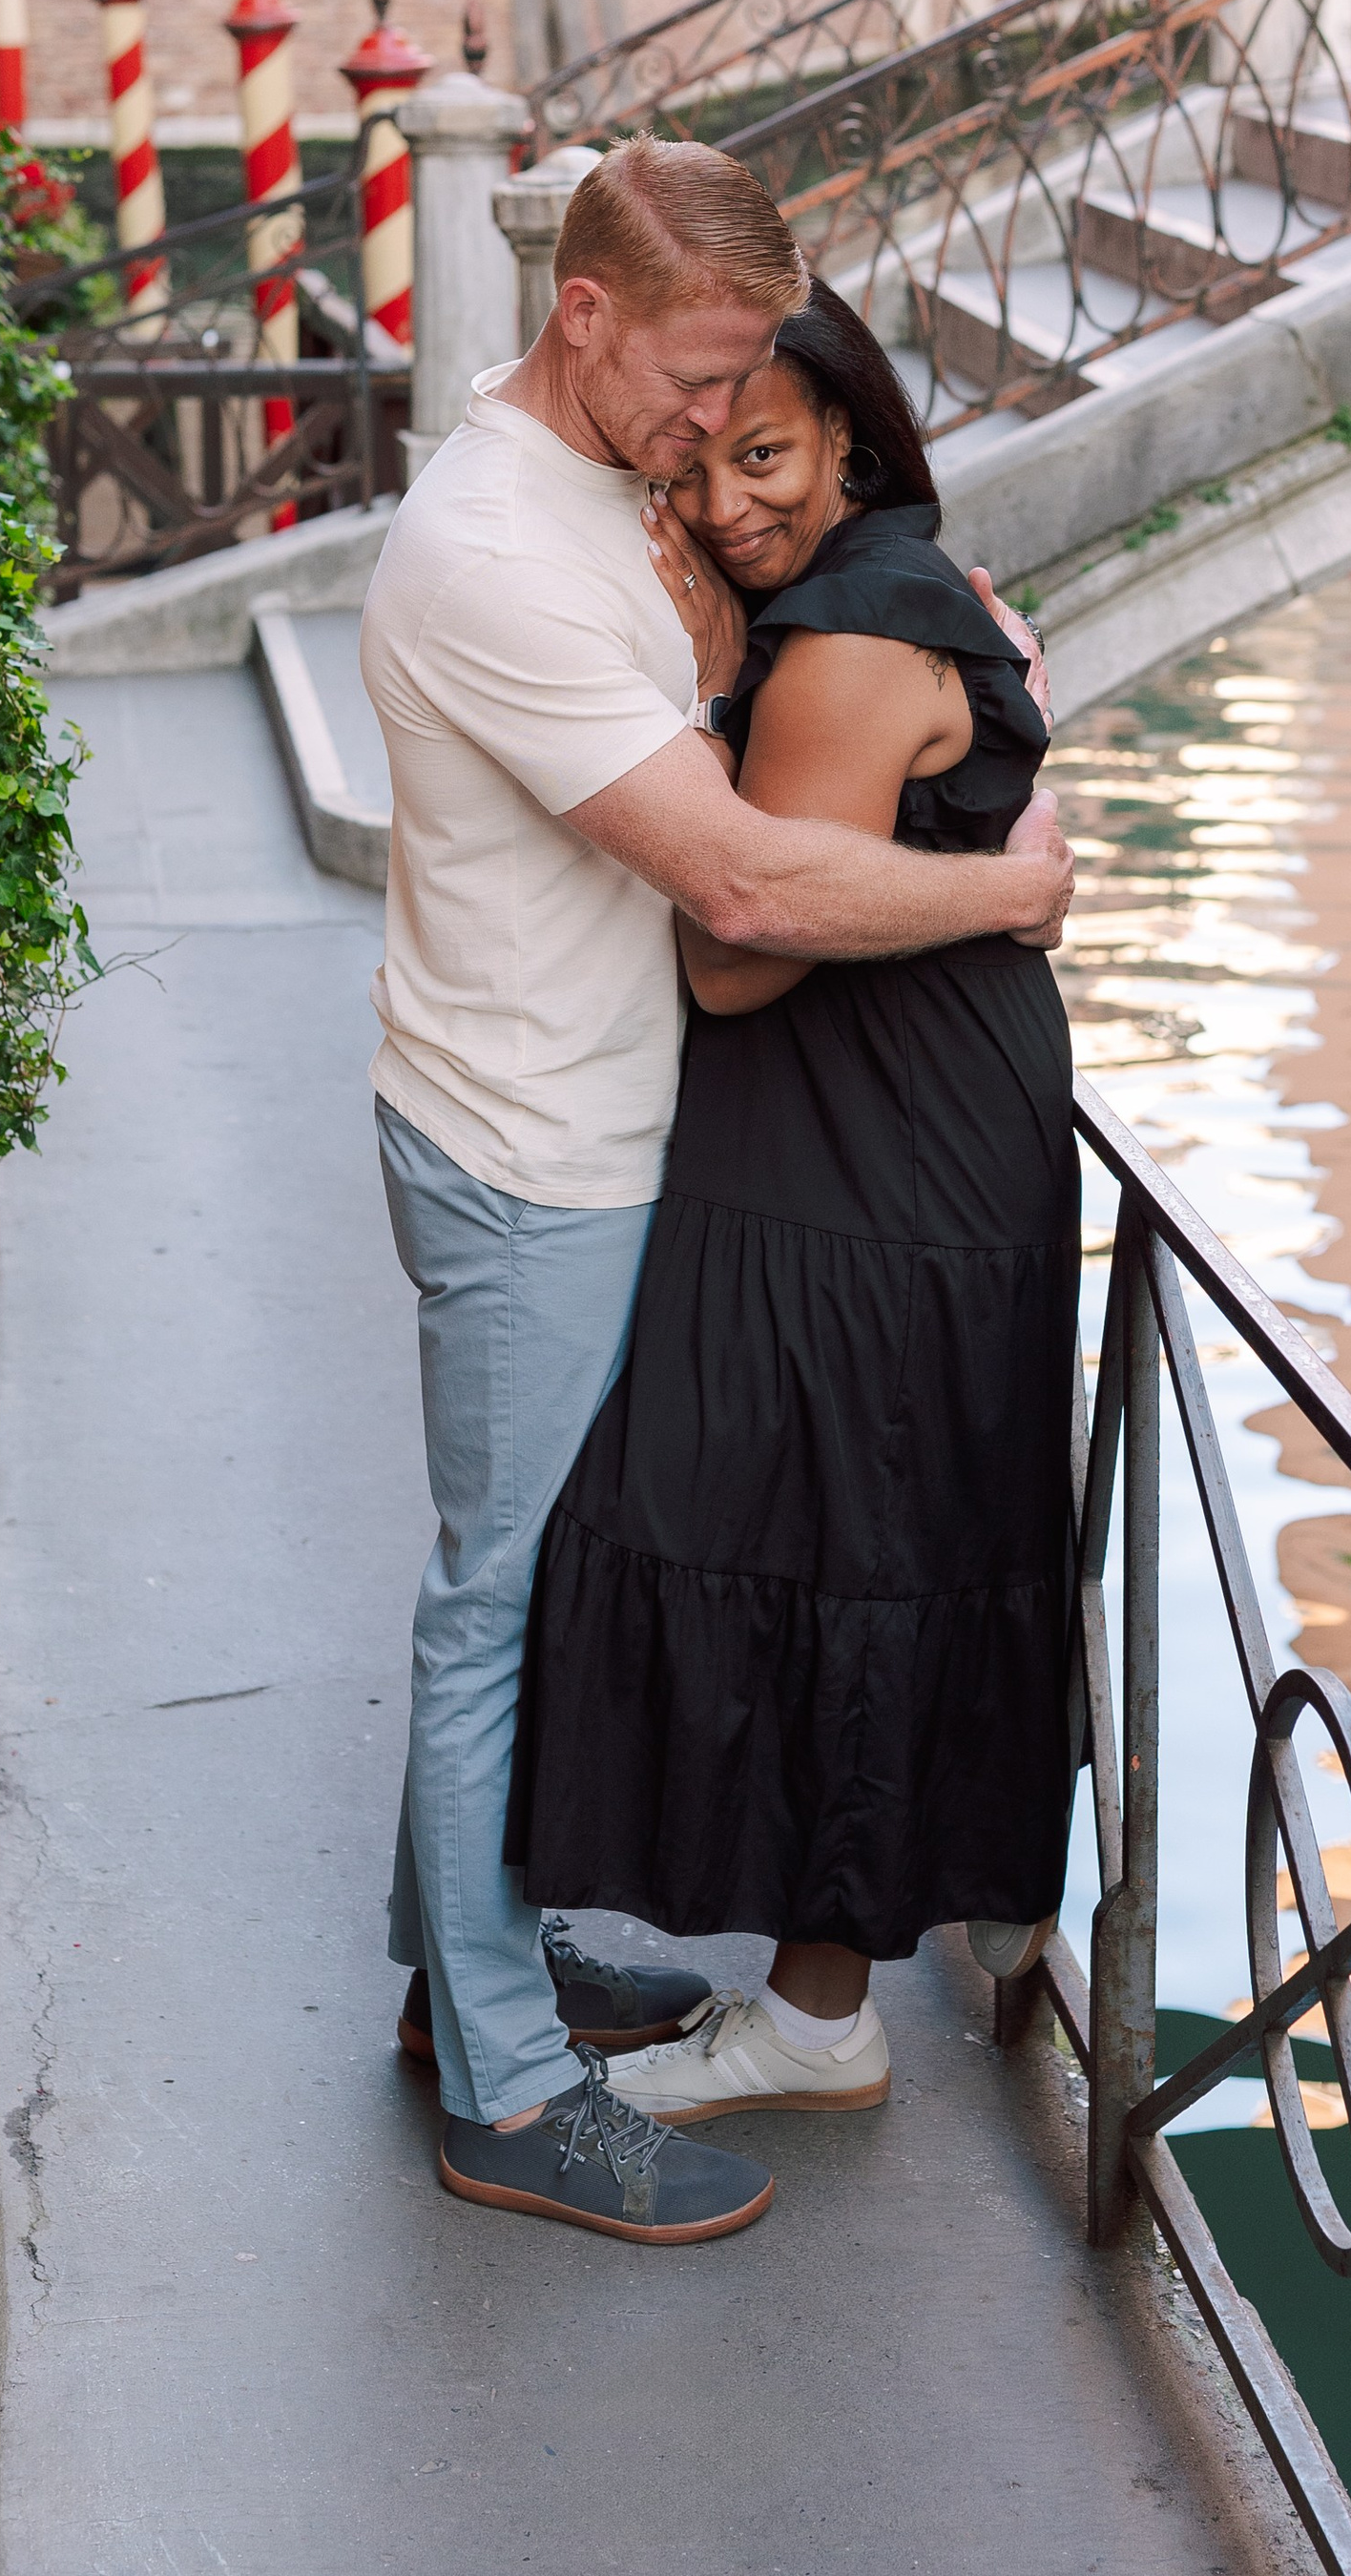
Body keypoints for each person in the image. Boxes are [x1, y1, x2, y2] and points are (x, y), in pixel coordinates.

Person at [359, 140, 1072, 2246]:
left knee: (534, 1562)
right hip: (528, 1140)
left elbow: (786, 638)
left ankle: (478, 1951)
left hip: (580, 1122)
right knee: (494, 1599)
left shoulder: (600, 479)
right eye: (689, 387)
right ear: (578, 318)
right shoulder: (491, 541)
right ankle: (500, 2081)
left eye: (748, 394)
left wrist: (935, 624)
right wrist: (1001, 880)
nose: (705, 437)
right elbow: (743, 887)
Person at [507, 280, 1076, 2123]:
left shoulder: (841, 641)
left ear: (850, 438)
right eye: (695, 462)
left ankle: (820, 2020)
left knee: (842, 1541)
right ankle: (829, 1976)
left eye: (767, 455)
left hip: (876, 1148)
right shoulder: (885, 592)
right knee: (836, 1536)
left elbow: (742, 953)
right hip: (887, 1128)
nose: (729, 499)